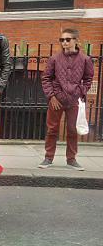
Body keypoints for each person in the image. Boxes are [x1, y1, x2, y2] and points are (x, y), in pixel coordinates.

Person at [38, 29, 94, 171]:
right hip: (56, 99)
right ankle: (48, 158)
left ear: (76, 40)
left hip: (74, 100)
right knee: (52, 129)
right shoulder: (54, 58)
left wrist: (80, 91)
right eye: (62, 40)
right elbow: (46, 78)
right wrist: (51, 96)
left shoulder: (85, 59)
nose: (64, 42)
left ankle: (71, 160)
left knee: (72, 130)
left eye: (68, 39)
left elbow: (88, 79)